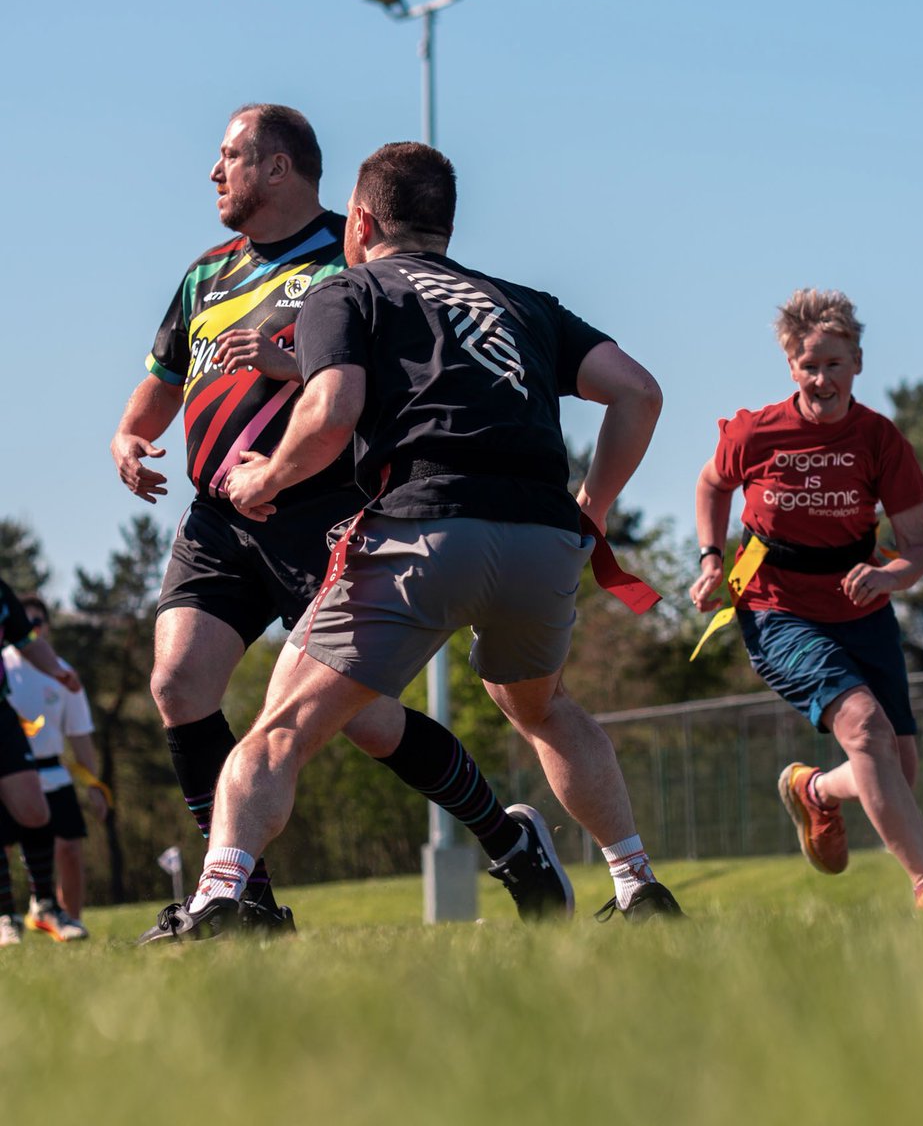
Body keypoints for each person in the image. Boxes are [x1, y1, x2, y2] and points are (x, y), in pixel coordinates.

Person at [137, 140, 683, 942]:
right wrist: (591, 507)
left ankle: (221, 899)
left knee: (280, 727)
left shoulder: (348, 290)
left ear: (360, 222)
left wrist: (267, 478)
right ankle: (638, 883)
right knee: (544, 709)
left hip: (426, 530)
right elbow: (639, 393)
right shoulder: (523, 301)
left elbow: (330, 413)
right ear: (445, 225)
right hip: (541, 538)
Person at [689, 288, 923, 910]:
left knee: (896, 766)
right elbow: (712, 483)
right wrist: (711, 558)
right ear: (790, 367)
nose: (822, 378)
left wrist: (889, 577)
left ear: (857, 362)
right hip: (776, 607)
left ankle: (816, 792)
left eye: (834, 363)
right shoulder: (757, 431)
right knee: (866, 727)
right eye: (809, 365)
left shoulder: (880, 440)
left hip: (863, 610)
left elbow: (919, 549)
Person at [3, 595, 109, 936]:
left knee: (69, 849)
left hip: (52, 773)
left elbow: (80, 734)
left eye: (38, 621)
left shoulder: (61, 672)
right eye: (25, 621)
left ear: (47, 627)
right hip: (9, 773)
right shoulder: (5, 668)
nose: (31, 628)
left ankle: (67, 919)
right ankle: (6, 917)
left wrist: (94, 785)